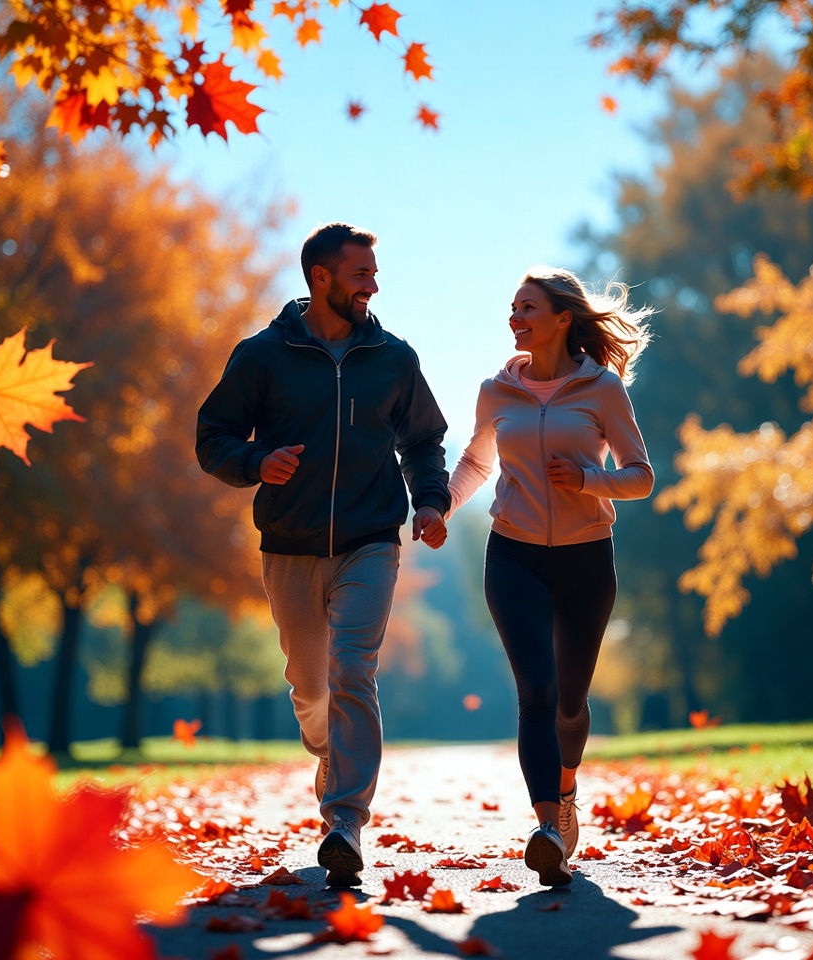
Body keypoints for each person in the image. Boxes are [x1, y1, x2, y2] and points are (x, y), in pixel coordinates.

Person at [196, 222, 450, 887]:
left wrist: (429, 501)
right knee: (311, 689)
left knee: (351, 672)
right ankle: (328, 753)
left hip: (370, 541)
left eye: (373, 272)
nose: (373, 283)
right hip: (290, 546)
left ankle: (345, 822)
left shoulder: (392, 359)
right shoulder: (261, 357)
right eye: (361, 273)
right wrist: (255, 460)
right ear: (322, 278)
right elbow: (213, 437)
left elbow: (424, 442)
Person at [447, 266, 653, 886]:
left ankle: (565, 795)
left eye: (528, 307)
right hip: (512, 554)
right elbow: (477, 461)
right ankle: (545, 830)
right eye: (513, 307)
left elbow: (640, 474)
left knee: (569, 702)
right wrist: (440, 507)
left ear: (563, 318)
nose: (516, 317)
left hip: (587, 556)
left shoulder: (602, 390)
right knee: (535, 692)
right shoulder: (496, 391)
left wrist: (589, 480)